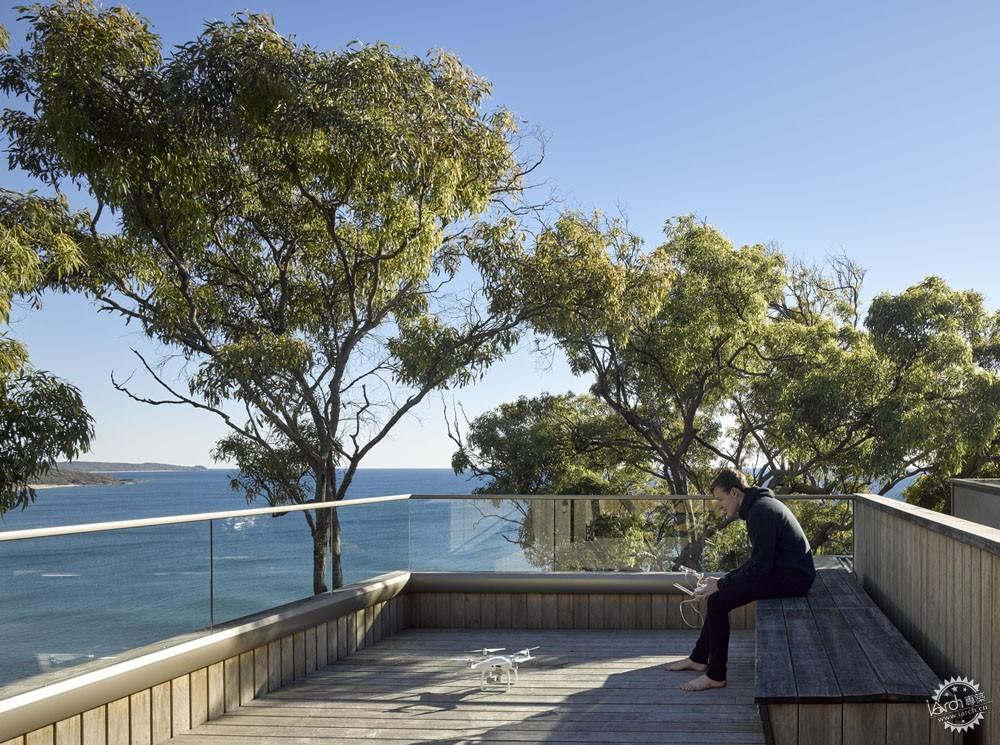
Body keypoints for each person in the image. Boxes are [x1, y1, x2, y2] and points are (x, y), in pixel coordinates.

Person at [664, 468, 817, 691]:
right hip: (784, 572)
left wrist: (722, 584)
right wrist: (725, 579)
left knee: (718, 601)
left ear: (734, 492)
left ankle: (716, 675)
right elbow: (758, 563)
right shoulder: (759, 506)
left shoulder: (760, 512)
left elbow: (760, 569)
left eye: (720, 499)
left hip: (793, 579)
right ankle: (698, 658)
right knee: (718, 597)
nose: (719, 505)